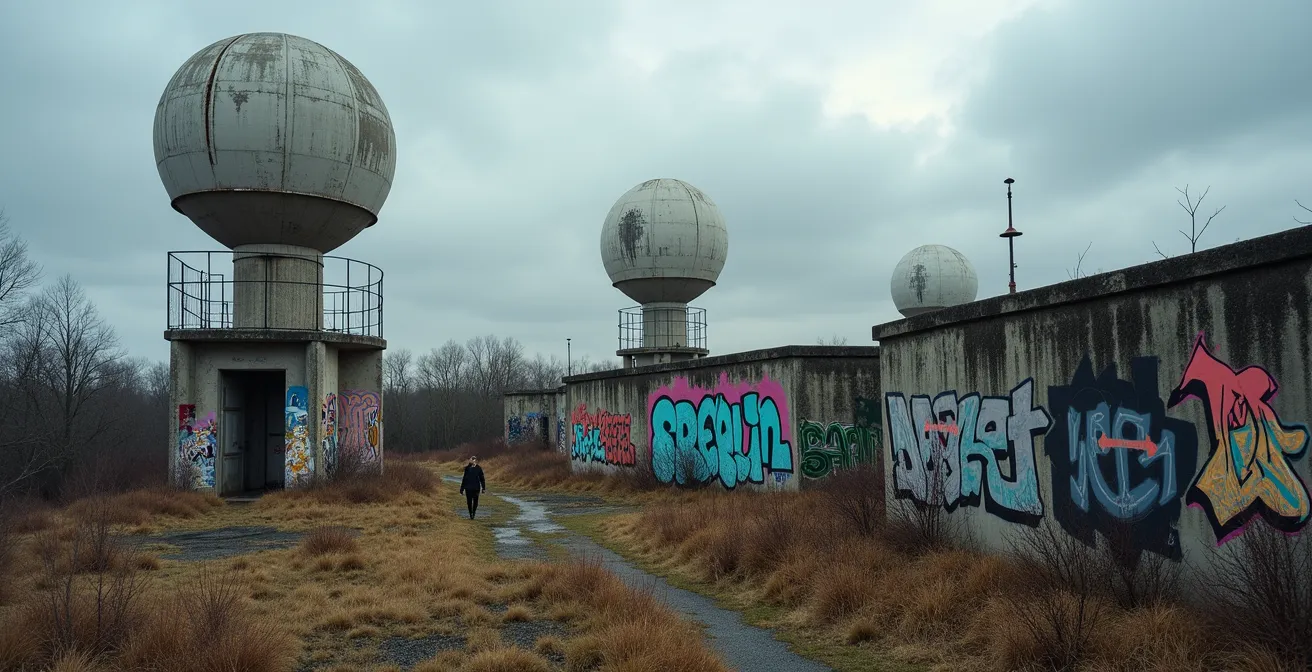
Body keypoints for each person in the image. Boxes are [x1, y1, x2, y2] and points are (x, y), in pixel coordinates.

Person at [459, 455, 487, 519]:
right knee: (469, 502)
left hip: (476, 488)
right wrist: (462, 489)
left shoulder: (479, 468)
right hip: (468, 488)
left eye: (474, 459)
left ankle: (473, 513)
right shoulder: (467, 468)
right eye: (472, 459)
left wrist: (483, 488)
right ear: (470, 460)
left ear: (476, 460)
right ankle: (470, 513)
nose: (473, 460)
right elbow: (464, 479)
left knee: (475, 501)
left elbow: (482, 479)